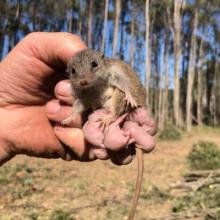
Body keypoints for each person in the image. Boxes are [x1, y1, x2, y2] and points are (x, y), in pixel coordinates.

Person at [0, 32, 156, 166]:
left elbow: (122, 83)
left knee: (116, 97)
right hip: (99, 104)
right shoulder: (77, 85)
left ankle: (114, 117)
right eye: (74, 72)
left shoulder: (111, 68)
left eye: (93, 66)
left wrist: (128, 94)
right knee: (89, 108)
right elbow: (81, 102)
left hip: (117, 104)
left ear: (102, 60)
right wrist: (73, 114)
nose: (83, 78)